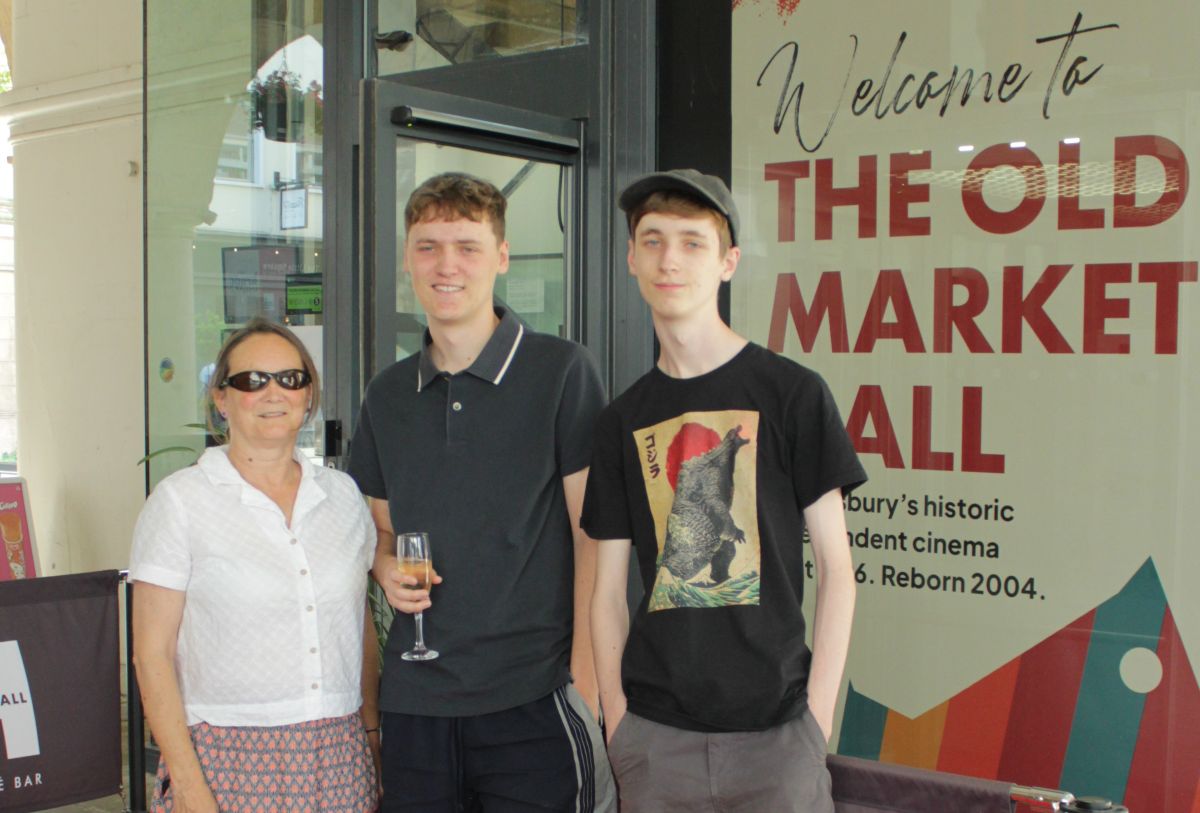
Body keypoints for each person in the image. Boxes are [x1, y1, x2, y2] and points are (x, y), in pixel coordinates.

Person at [582, 169, 868, 812]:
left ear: (728, 262)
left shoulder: (793, 394)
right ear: (631, 259)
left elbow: (837, 572)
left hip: (779, 740)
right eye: (652, 240)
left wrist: (815, 724)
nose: (669, 259)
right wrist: (619, 722)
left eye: (692, 241)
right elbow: (607, 592)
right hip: (657, 742)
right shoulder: (621, 420)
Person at [347, 172, 616, 813]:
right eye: (428, 246)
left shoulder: (561, 370)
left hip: (534, 699)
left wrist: (585, 683)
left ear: (501, 257)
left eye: (466, 246)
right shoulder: (387, 395)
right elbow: (377, 534)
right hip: (417, 706)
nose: (446, 265)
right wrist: (384, 566)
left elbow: (594, 537)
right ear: (408, 259)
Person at [131, 318, 380, 812]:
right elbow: (152, 656)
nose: (274, 393)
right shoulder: (180, 502)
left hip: (339, 753)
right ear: (221, 399)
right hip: (225, 759)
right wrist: (188, 783)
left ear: (309, 396)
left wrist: (370, 731)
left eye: (291, 379)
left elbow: (359, 623)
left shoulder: (342, 497)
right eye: (251, 380)